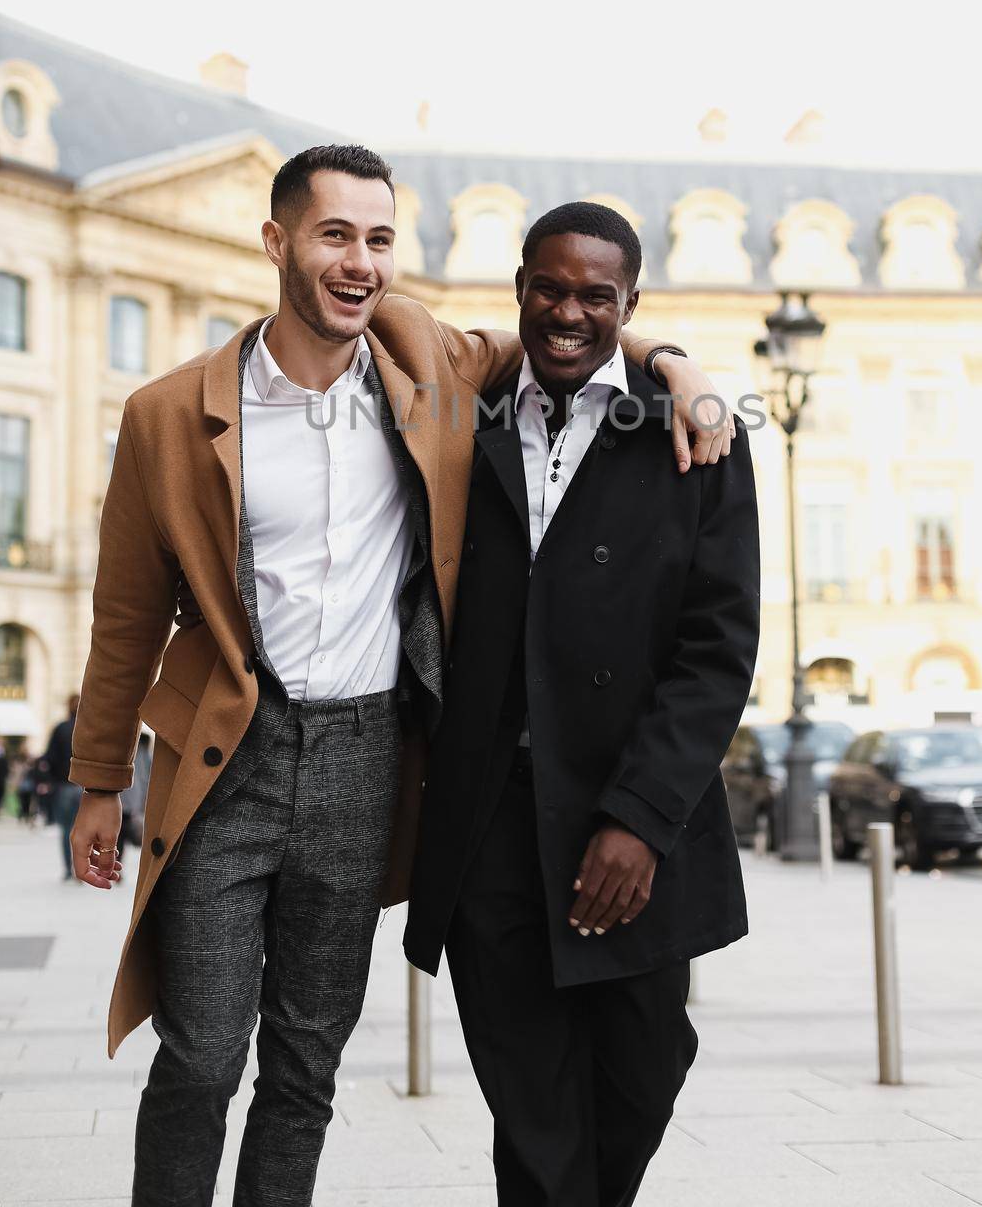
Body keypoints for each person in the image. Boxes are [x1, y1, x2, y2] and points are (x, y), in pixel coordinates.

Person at [67, 143, 730, 1207]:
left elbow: (570, 330)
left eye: (378, 239)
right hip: (223, 758)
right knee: (198, 1052)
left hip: (369, 755)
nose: (359, 262)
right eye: (335, 234)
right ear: (278, 241)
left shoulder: (425, 359)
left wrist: (674, 365)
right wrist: (99, 780)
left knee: (305, 1058)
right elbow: (126, 613)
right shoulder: (166, 414)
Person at [405, 202, 761, 1207]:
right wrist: (666, 351)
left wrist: (637, 822)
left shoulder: (692, 434)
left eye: (596, 296)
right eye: (549, 288)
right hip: (488, 825)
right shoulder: (455, 417)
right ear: (518, 289)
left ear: (629, 304)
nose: (569, 312)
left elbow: (718, 649)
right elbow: (379, 310)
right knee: (530, 1107)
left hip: (629, 819)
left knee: (642, 1072)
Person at [44, 695, 81, 878]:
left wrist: (52, 779)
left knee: (67, 829)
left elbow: (49, 757)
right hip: (85, 788)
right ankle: (83, 867)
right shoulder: (87, 729)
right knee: (83, 829)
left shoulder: (60, 728)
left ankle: (68, 869)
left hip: (64, 785)